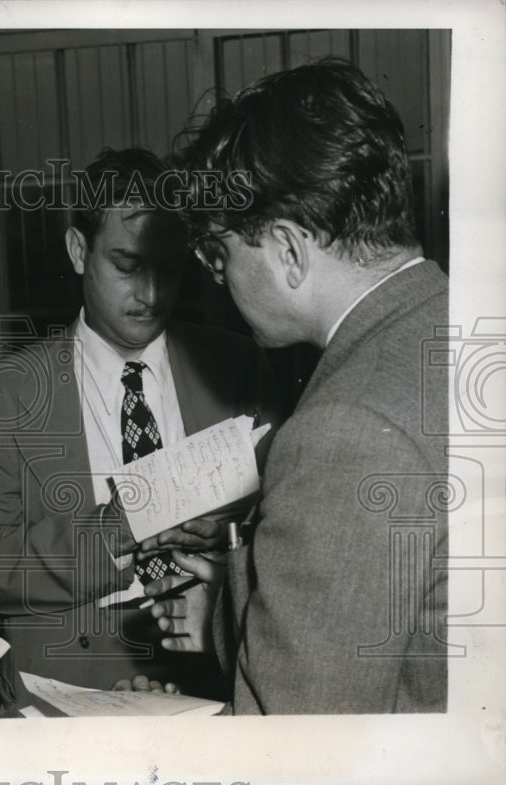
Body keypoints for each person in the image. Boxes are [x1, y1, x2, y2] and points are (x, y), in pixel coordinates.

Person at [147, 58, 449, 713]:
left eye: (220, 256)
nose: (220, 282)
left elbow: (295, 746)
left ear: (288, 251)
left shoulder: (341, 434)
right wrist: (230, 613)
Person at [0, 147, 279, 713]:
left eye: (170, 268)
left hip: (213, 679)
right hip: (63, 693)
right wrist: (119, 524)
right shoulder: (7, 391)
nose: (153, 294)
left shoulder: (238, 366)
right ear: (78, 251)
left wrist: (227, 538)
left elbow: (284, 538)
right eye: (128, 266)